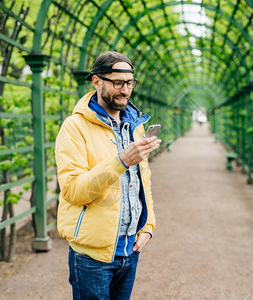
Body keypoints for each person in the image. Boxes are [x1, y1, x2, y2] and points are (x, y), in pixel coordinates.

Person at [55, 51, 160, 299]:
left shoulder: (135, 125)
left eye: (130, 83)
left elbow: (144, 182)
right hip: (92, 256)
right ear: (96, 81)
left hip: (130, 250)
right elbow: (73, 191)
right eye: (117, 83)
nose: (125, 90)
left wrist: (149, 226)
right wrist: (120, 161)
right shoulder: (74, 127)